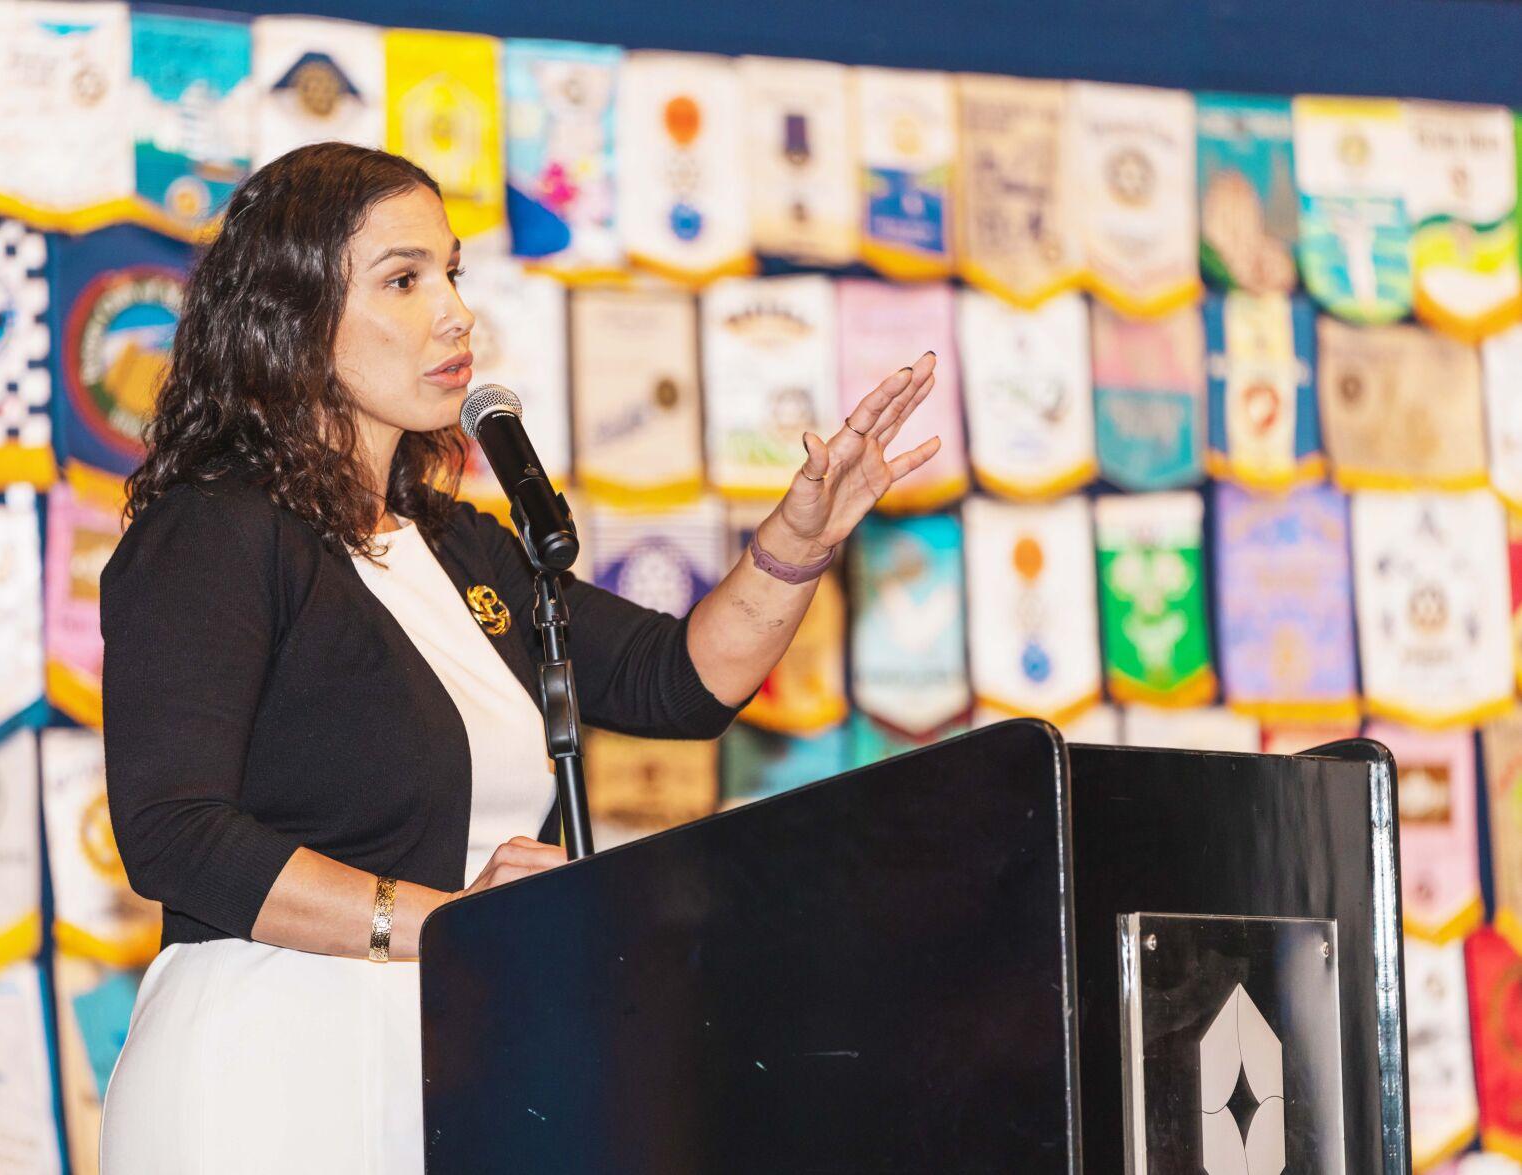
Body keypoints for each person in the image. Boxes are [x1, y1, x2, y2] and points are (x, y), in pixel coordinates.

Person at [94, 142, 942, 1173]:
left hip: (442, 1060)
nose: (454, 313)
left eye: (451, 273)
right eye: (404, 280)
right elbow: (174, 835)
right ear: (290, 315)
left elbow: (680, 682)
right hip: (264, 1071)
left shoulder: (461, 545)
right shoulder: (216, 530)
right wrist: (452, 925)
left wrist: (797, 544)